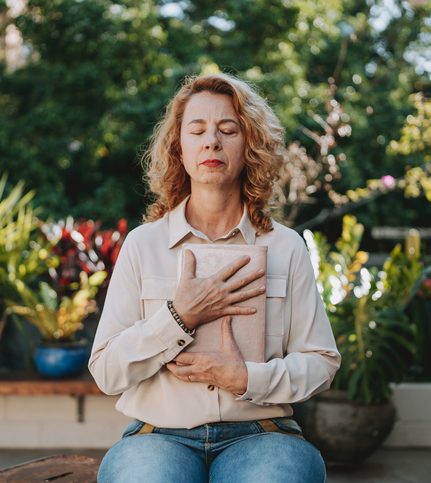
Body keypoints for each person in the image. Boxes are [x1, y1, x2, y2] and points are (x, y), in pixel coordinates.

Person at [89, 72, 341, 483]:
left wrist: (246, 378)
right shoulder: (142, 245)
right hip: (157, 437)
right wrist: (178, 317)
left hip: (262, 434)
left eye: (228, 129)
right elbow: (106, 371)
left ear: (250, 146)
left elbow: (322, 362)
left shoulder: (286, 247)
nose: (212, 141)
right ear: (180, 149)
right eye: (198, 130)